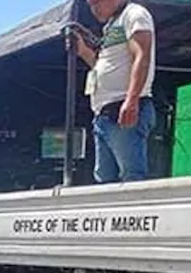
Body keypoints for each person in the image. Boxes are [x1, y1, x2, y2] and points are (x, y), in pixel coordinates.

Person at [72, 0, 156, 183]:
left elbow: (142, 55)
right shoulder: (111, 25)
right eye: (90, 5)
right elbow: (104, 66)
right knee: (104, 178)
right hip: (103, 114)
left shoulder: (134, 14)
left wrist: (131, 100)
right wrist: (84, 52)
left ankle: (136, 212)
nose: (93, 9)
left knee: (131, 175)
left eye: (96, 3)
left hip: (123, 107)